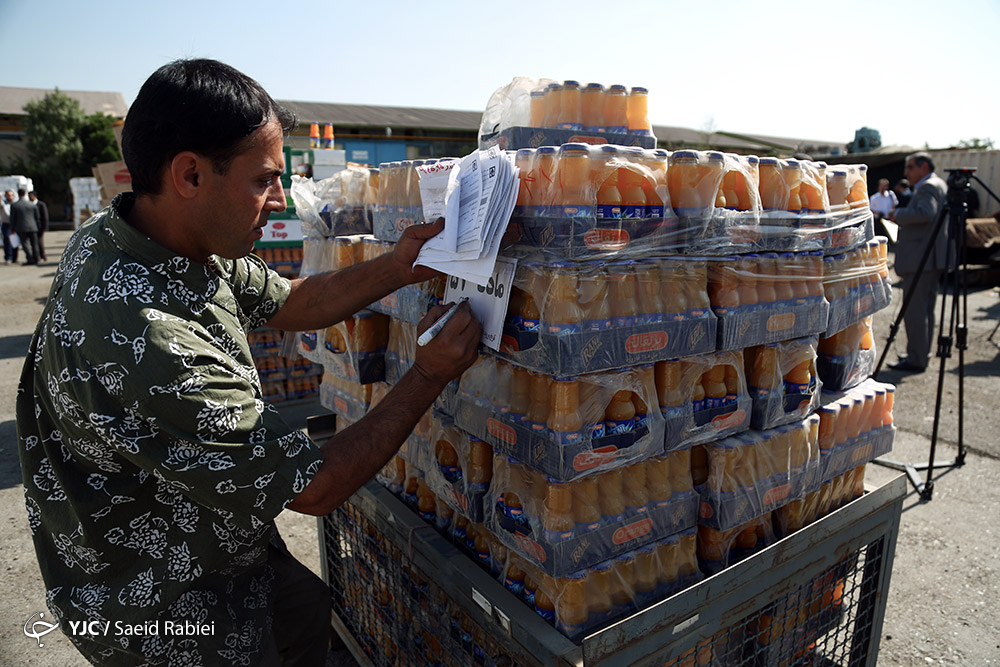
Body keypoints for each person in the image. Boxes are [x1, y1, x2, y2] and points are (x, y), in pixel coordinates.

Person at [16, 58, 482, 667]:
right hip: (165, 611)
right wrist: (428, 374)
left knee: (303, 610)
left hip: (218, 547)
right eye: (264, 179)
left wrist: (398, 266)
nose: (280, 198)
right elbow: (314, 486)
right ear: (189, 175)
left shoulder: (153, 234)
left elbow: (296, 300)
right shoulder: (148, 339)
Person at [887, 152, 948, 372]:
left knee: (915, 312)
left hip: (921, 258)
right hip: (930, 258)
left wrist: (899, 214)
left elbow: (925, 213)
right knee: (925, 311)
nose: (906, 173)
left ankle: (916, 358)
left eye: (910, 168)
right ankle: (920, 353)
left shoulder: (928, 187)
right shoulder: (938, 184)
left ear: (923, 167)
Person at [10, 187, 40, 265]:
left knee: (25, 243)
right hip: (33, 226)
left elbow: (13, 218)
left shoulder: (15, 205)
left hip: (21, 227)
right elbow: (37, 217)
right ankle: (37, 257)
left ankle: (30, 259)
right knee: (34, 243)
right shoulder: (31, 204)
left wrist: (12, 228)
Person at [28, 190, 49, 261]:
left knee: (40, 242)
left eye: (31, 196)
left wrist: (44, 227)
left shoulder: (41, 204)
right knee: (33, 242)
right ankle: (36, 256)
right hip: (31, 226)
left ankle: (43, 255)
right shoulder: (29, 205)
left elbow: (45, 216)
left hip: (39, 226)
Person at [1, 188, 17, 263]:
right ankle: (8, 257)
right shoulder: (3, 204)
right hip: (6, 224)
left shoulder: (15, 204)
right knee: (7, 241)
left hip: (15, 224)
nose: (9, 197)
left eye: (10, 195)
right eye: (7, 195)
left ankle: (14, 257)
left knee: (15, 241)